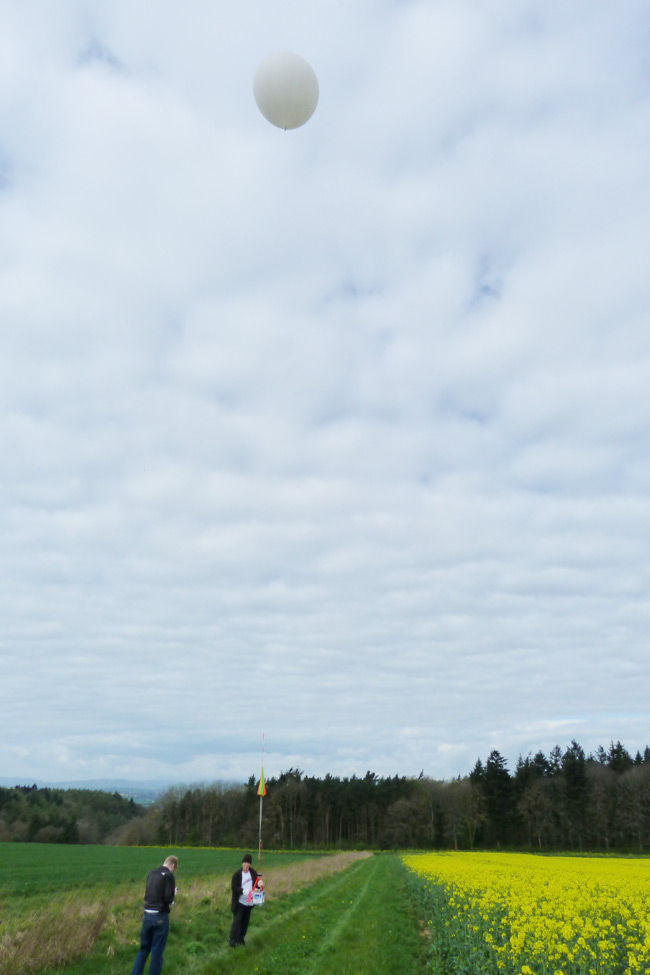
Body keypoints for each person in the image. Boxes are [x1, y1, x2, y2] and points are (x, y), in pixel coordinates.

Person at [131, 855, 178, 975]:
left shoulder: (151, 873)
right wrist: (173, 894)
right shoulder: (168, 875)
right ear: (173, 865)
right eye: (174, 868)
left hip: (146, 915)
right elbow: (168, 899)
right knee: (157, 952)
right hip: (160, 916)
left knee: (143, 949)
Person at [229, 853, 263, 947]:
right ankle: (232, 941)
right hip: (239, 903)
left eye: (248, 863)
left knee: (245, 923)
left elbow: (257, 885)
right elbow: (234, 888)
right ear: (242, 863)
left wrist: (259, 886)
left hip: (249, 903)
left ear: (250, 864)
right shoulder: (237, 875)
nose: (246, 865)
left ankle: (241, 940)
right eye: (245, 862)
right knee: (236, 922)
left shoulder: (253, 873)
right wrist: (243, 891)